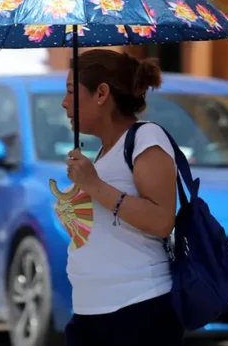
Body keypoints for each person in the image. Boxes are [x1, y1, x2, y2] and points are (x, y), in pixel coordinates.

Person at [58, 49, 183, 346]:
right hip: (91, 311)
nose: (64, 103)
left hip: (135, 311)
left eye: (70, 92)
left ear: (101, 93)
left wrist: (94, 184)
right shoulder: (102, 153)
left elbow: (162, 220)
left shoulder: (146, 139)